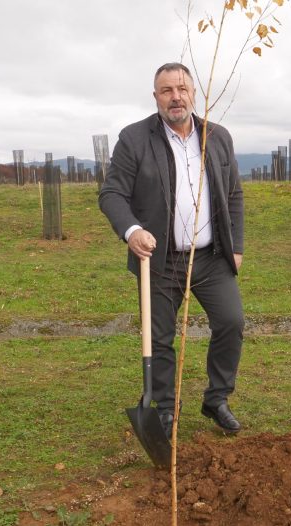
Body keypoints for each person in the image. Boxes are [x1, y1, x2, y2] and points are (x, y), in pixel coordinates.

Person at [100, 62, 246, 438]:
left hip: (211, 258)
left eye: (182, 88)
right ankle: (165, 409)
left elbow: (233, 195)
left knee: (231, 323)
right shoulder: (134, 139)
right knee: (160, 338)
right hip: (160, 261)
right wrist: (132, 230)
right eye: (166, 90)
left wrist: (237, 246)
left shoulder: (218, 136)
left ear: (193, 93)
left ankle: (217, 399)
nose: (175, 96)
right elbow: (112, 193)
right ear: (156, 97)